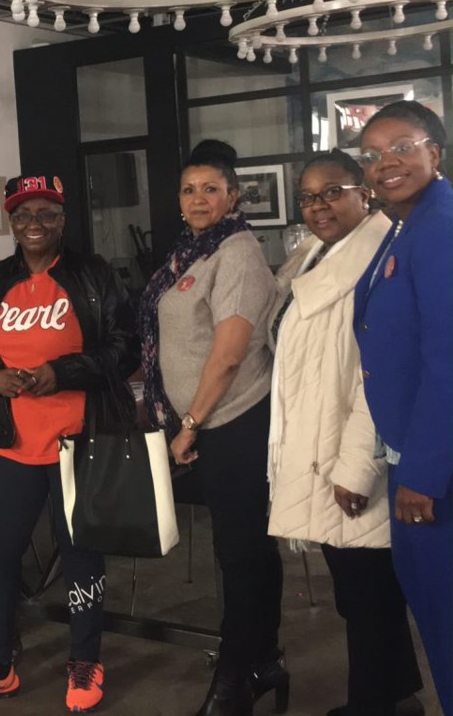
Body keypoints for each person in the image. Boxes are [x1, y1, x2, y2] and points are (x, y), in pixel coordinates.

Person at [0, 173, 137, 714]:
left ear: (63, 220)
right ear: (9, 220)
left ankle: (84, 658)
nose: (34, 224)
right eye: (23, 214)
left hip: (80, 440)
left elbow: (126, 347)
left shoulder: (91, 275)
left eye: (47, 213)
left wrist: (64, 371)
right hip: (13, 442)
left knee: (80, 556)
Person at [268, 149, 422, 716]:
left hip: (353, 454)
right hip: (318, 444)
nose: (318, 206)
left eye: (332, 192)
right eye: (308, 197)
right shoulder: (313, 256)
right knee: (362, 592)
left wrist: (357, 465)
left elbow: (379, 376)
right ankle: (397, 693)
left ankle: (374, 705)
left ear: (364, 193)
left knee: (367, 594)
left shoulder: (382, 258)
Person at [138, 139, 282, 716]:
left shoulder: (238, 252)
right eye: (189, 190)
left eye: (211, 189)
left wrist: (190, 424)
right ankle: (259, 656)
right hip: (203, 422)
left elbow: (227, 354)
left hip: (234, 421)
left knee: (242, 550)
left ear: (233, 195)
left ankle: (238, 673)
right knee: (240, 548)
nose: (199, 199)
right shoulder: (191, 251)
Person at [353, 101, 453, 716]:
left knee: (446, 616)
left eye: (401, 146)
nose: (385, 162)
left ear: (434, 152)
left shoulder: (440, 227)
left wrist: (422, 472)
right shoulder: (407, 224)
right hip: (410, 453)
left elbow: (448, 360)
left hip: (434, 468)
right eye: (371, 154)